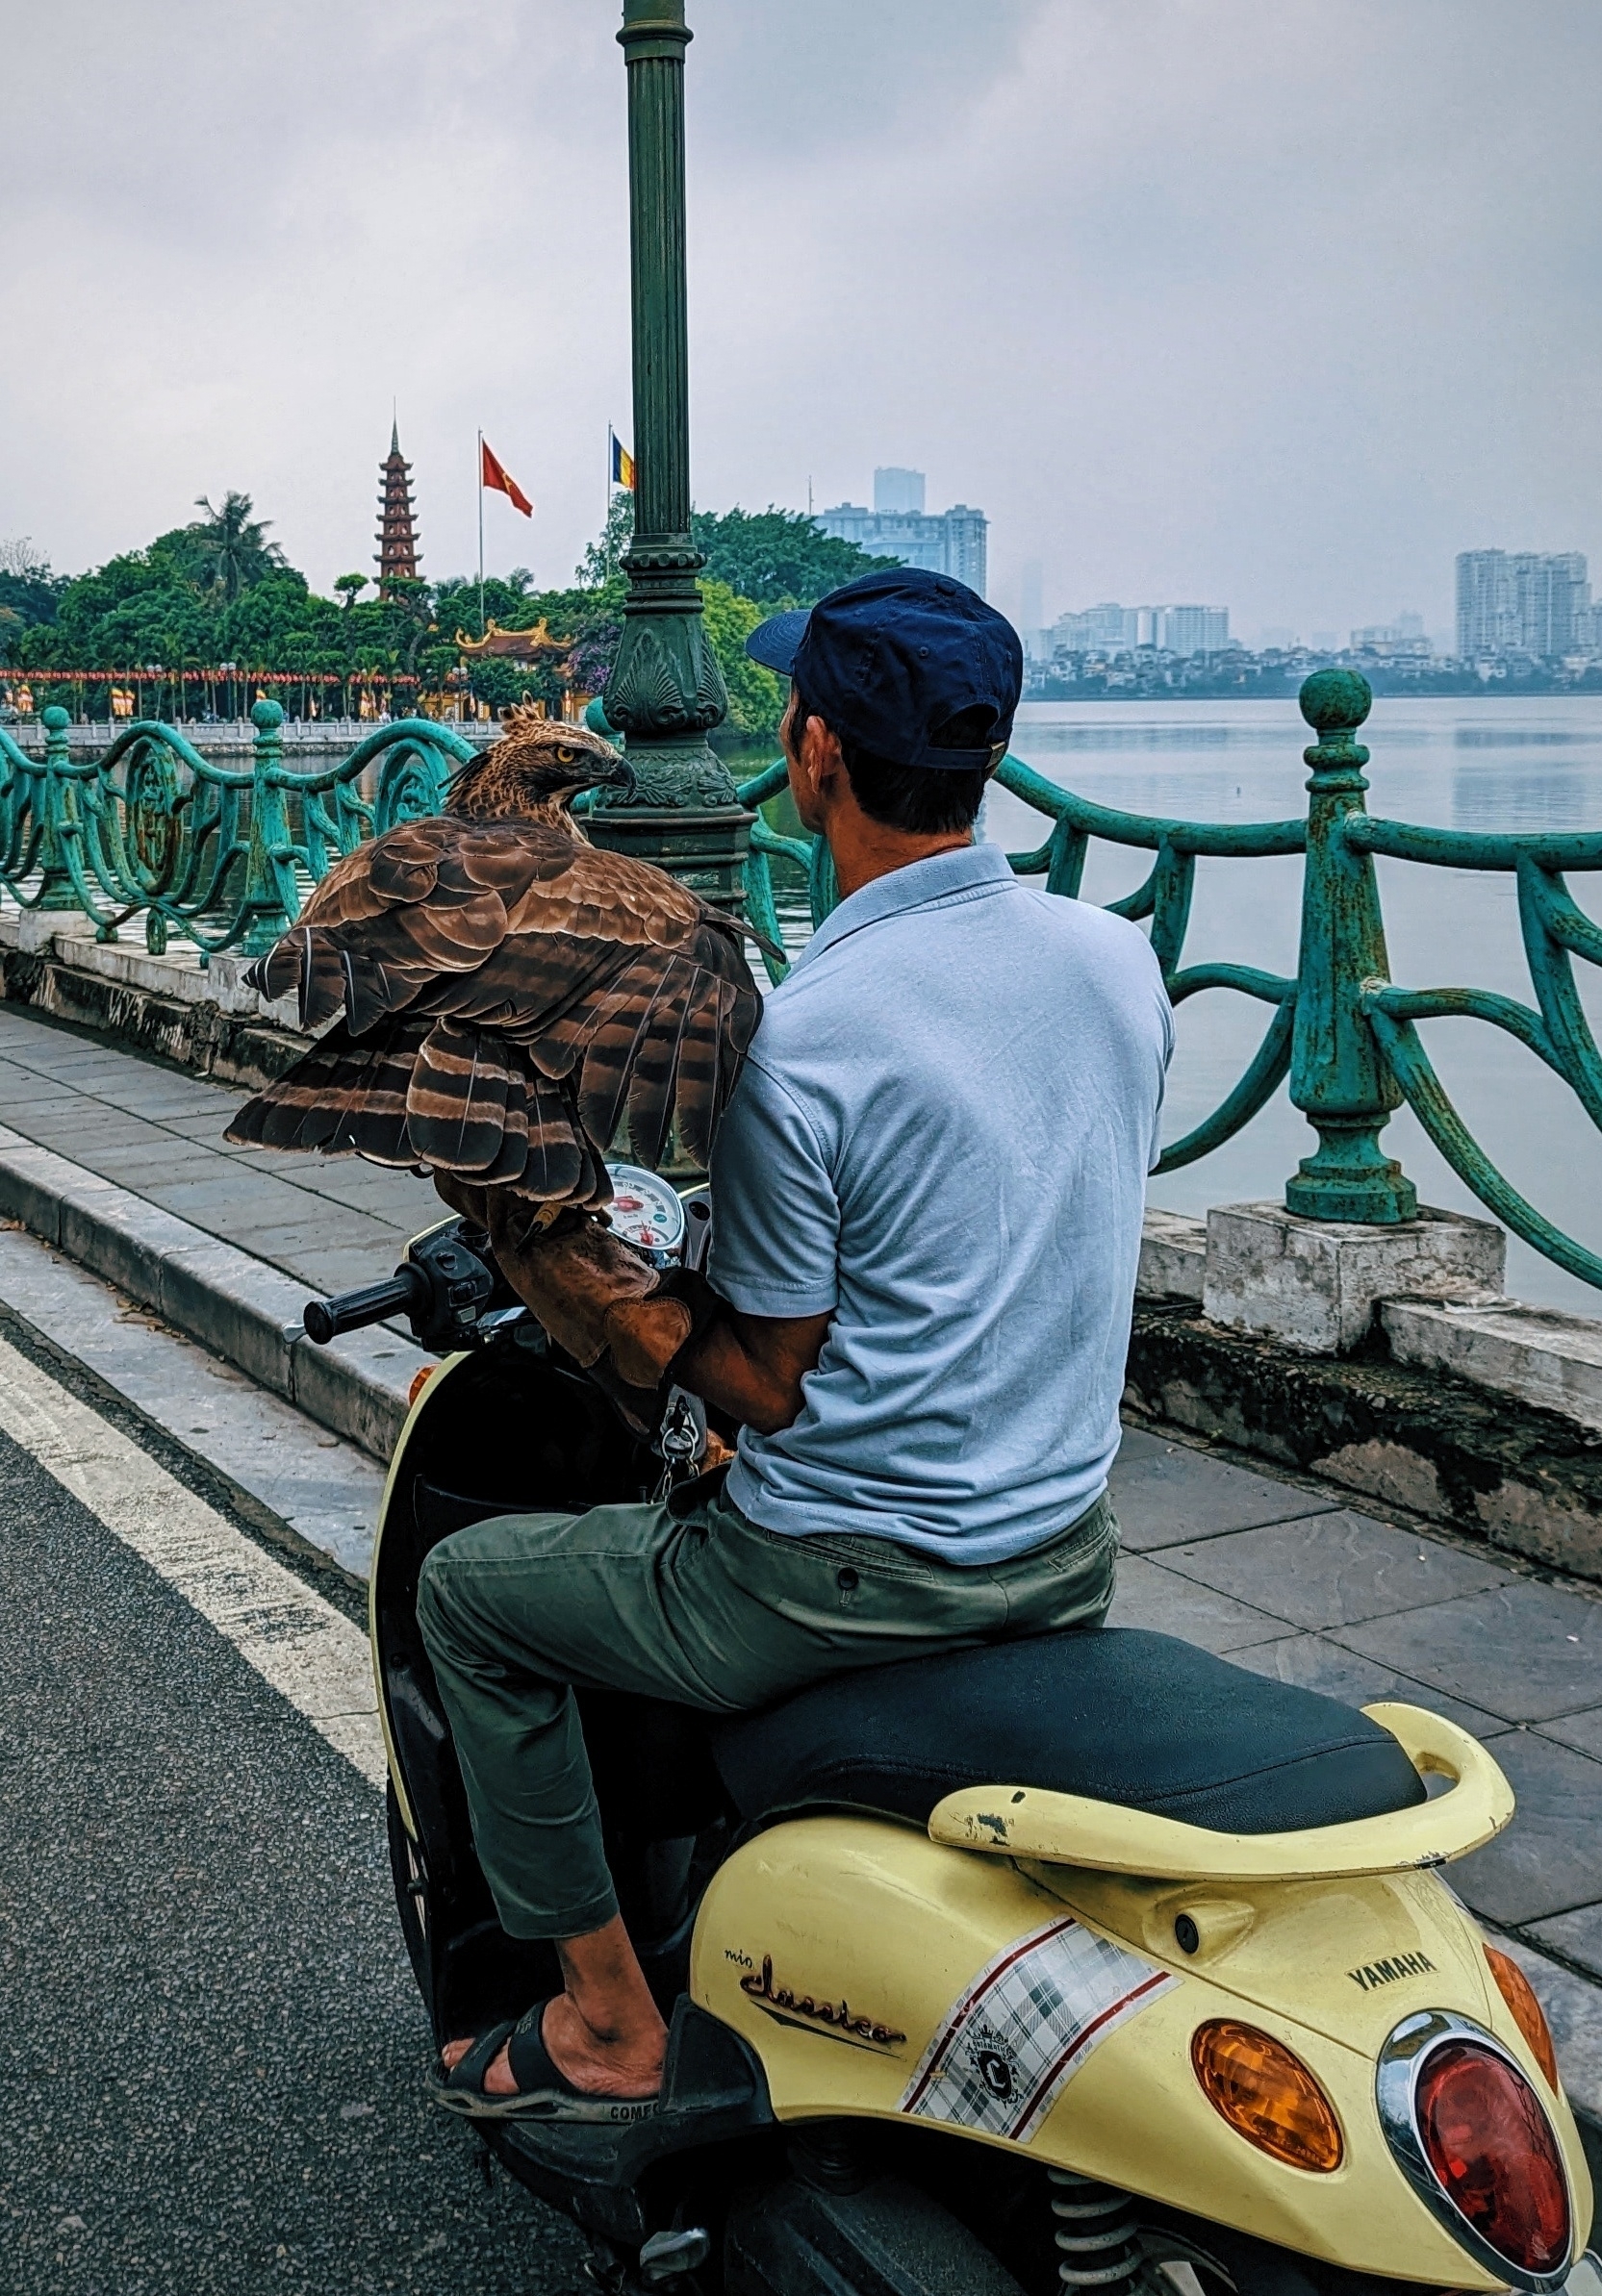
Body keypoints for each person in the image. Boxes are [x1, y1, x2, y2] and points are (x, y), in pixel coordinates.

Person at [420, 567, 1173, 2122]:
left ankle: (607, 2021)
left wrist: (589, 1275)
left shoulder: (809, 1032)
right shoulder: (1114, 962)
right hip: (1060, 1543)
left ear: (813, 751)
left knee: (468, 1596)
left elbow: (768, 1382)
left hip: (844, 1574)